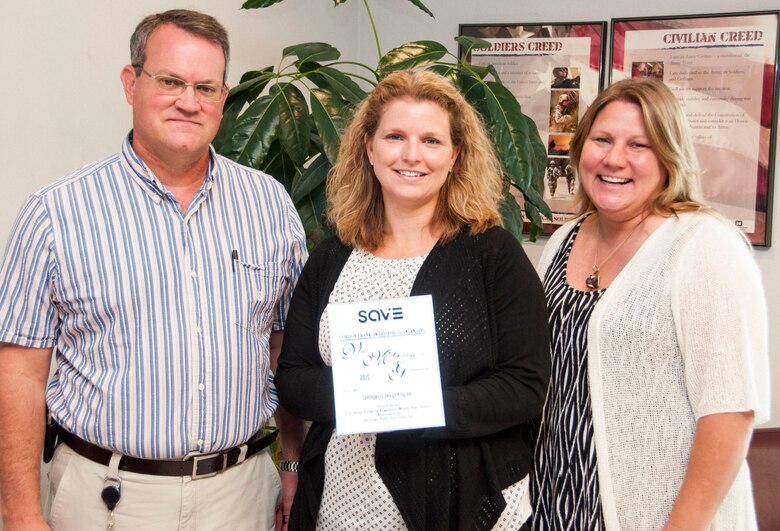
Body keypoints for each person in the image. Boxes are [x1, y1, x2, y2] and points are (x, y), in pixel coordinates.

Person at [0, 9, 307, 531]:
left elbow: (285, 350)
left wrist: (293, 464)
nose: (189, 102)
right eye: (170, 81)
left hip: (241, 495)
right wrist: (20, 512)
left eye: (205, 88)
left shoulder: (269, 204)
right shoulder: (55, 212)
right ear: (131, 83)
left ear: (223, 98)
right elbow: (19, 373)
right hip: (103, 499)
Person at [274, 70, 551, 530]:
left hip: (457, 502)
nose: (411, 155)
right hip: (343, 504)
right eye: (395, 136)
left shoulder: (493, 253)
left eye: (431, 140)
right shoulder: (332, 255)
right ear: (368, 147)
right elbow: (295, 378)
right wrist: (368, 400)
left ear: (455, 155)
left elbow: (524, 386)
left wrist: (415, 406)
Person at [531, 77, 770, 530]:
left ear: (667, 158)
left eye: (639, 145)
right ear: (580, 149)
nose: (614, 159)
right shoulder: (564, 238)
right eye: (601, 139)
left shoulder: (704, 245)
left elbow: (730, 410)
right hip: (557, 501)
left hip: (659, 513)